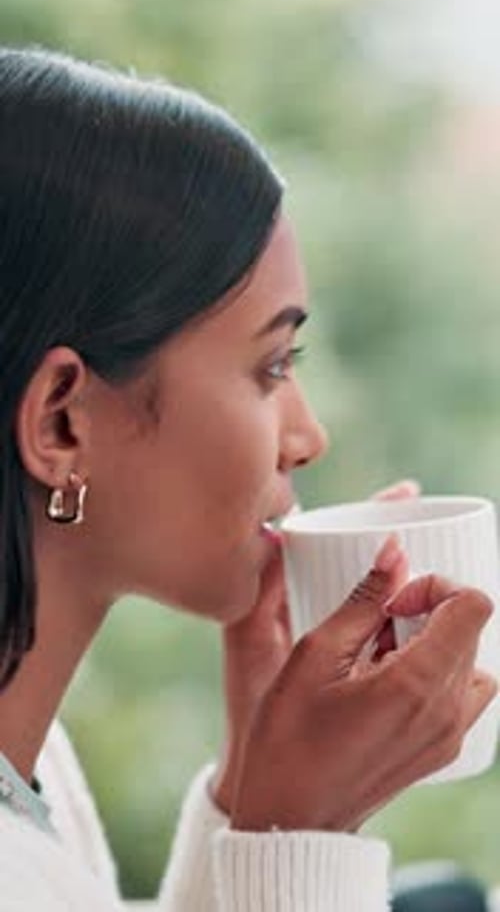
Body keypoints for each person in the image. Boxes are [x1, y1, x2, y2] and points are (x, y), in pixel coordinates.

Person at [0, 45, 496, 912]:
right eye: (272, 366)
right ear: (60, 422)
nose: (308, 436)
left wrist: (248, 795)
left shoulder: (33, 767)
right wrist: (301, 830)